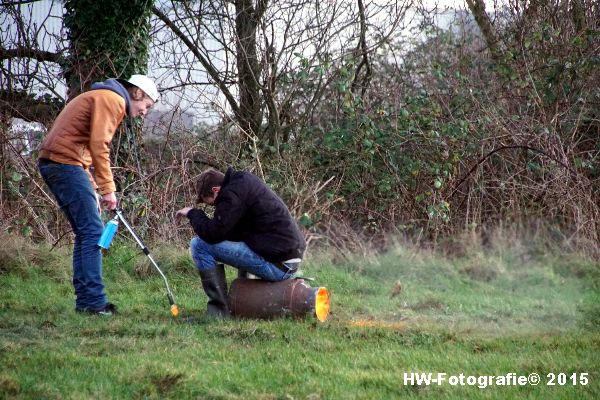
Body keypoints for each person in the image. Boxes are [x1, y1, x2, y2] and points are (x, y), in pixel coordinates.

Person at [38, 74, 159, 316]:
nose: (144, 112)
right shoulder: (112, 99)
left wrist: (94, 186)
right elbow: (99, 145)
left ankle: (87, 301)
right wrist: (108, 189)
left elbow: (82, 150)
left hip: (62, 163)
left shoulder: (101, 96)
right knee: (92, 232)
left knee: (86, 232)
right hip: (64, 164)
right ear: (137, 93)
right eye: (146, 105)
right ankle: (93, 303)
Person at [175, 167, 306, 317]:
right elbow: (231, 232)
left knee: (199, 245)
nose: (212, 206)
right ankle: (243, 300)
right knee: (239, 241)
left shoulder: (232, 195)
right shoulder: (242, 183)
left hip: (279, 265)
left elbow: (212, 234)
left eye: (209, 202)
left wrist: (193, 213)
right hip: (288, 260)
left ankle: (218, 313)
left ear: (216, 189)